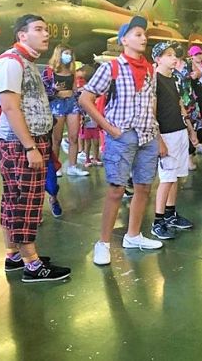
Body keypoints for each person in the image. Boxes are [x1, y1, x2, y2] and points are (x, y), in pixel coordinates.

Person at [0, 14, 71, 283]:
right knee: (26, 202)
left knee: (13, 200)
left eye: (46, 29)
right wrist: (30, 147)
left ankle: (14, 255)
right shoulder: (11, 62)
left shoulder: (27, 62)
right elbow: (10, 107)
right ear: (22, 35)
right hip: (21, 144)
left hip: (28, 142)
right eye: (38, 29)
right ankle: (32, 265)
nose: (46, 34)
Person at [79, 15, 164, 266]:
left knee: (144, 187)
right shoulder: (111, 68)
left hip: (147, 135)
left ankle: (133, 235)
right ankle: (103, 243)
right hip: (122, 135)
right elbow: (85, 98)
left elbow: (152, 102)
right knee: (116, 190)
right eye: (137, 34)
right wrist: (108, 128)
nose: (143, 38)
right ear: (123, 40)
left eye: (144, 34)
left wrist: (157, 135)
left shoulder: (150, 69)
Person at [150, 41, 199, 240]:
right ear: (158, 59)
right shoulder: (154, 81)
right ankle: (158, 220)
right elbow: (152, 114)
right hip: (166, 135)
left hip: (179, 132)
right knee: (167, 178)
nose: (174, 58)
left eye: (174, 55)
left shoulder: (173, 79)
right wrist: (159, 140)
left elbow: (180, 105)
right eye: (168, 55)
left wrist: (190, 130)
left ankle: (170, 213)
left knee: (176, 176)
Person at [42, 45, 88, 177]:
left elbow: (75, 89)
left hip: (71, 103)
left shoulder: (71, 71)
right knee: (56, 139)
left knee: (74, 137)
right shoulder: (49, 71)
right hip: (57, 104)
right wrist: (55, 90)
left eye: (70, 54)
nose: (68, 56)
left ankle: (73, 166)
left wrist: (82, 106)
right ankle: (55, 167)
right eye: (66, 53)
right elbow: (43, 90)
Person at [173, 50, 202, 171]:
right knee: (180, 130)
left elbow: (199, 73)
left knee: (193, 130)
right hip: (174, 101)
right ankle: (181, 158)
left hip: (189, 101)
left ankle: (190, 157)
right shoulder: (168, 64)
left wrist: (196, 74)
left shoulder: (188, 63)